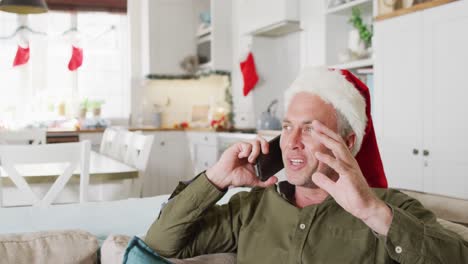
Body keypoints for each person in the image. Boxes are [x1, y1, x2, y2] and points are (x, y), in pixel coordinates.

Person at [145, 67, 468, 263]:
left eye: (310, 128)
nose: (292, 141)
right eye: (287, 126)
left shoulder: (390, 208)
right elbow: (159, 243)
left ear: (349, 142)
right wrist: (216, 179)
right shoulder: (249, 208)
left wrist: (371, 210)